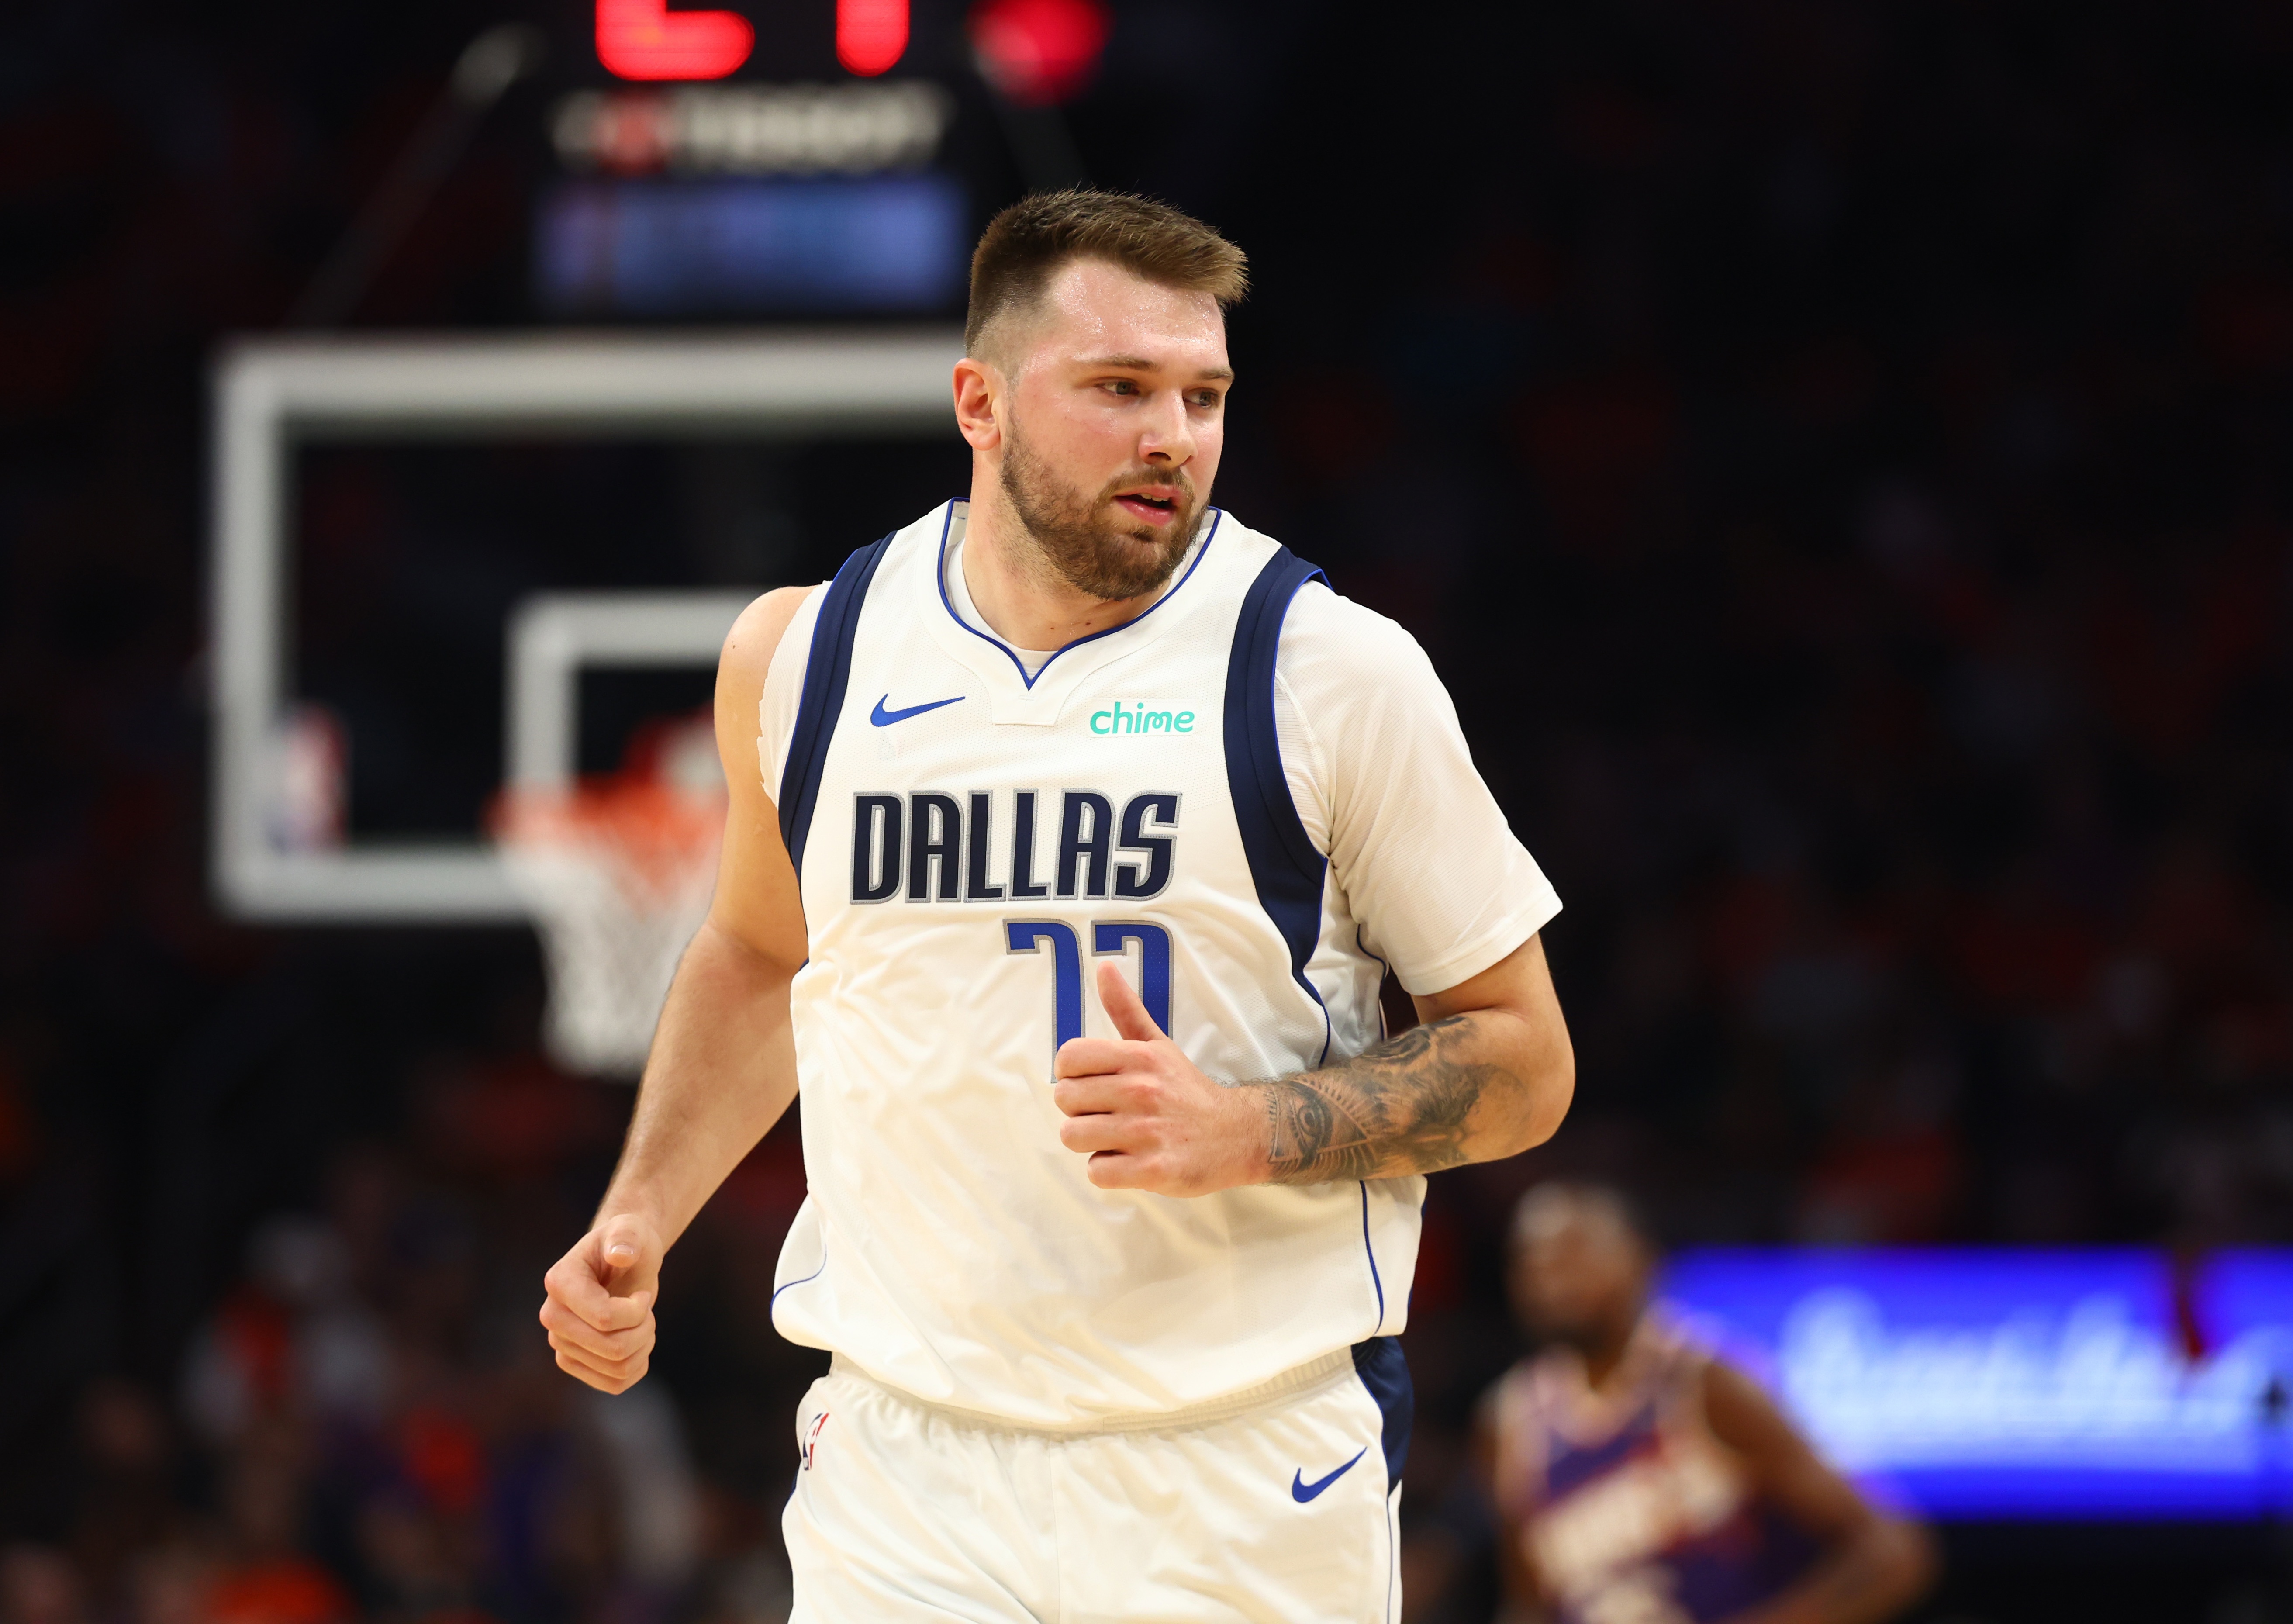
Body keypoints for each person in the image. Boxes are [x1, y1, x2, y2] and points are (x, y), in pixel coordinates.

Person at [538, 188, 1578, 1621]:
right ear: (981, 401)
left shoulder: (1330, 671)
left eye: (1204, 395)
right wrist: (640, 1214)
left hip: (1239, 1458)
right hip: (903, 1461)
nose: (1174, 435)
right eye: (1120, 387)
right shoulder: (805, 654)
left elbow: (1526, 1060)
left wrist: (1245, 1127)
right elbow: (764, 954)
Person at [1480, 1184, 1934, 1624]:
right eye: (1532, 1260)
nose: (1552, 1275)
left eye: (1574, 1252)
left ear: (1641, 1258)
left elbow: (1892, 1553)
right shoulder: (1510, 1420)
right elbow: (1529, 1606)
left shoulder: (1705, 1383)